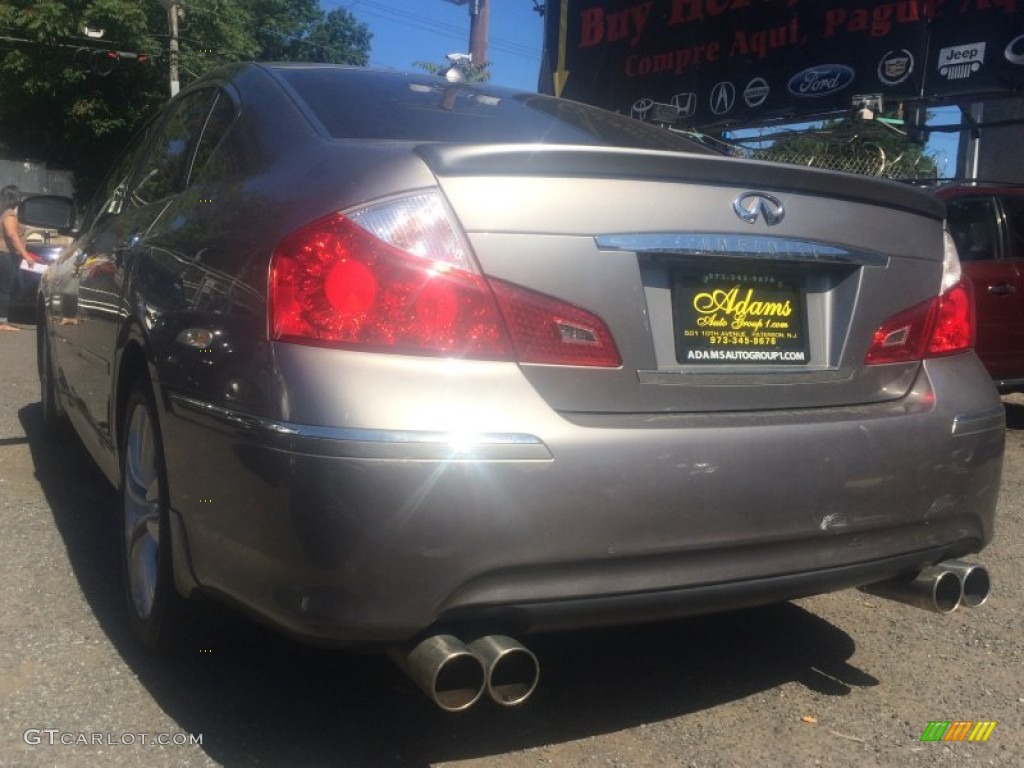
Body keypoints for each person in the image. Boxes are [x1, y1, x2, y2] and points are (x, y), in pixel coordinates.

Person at [0, 184, 42, 331]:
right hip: (5, 255)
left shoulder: (4, 212)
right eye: (19, 196)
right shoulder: (9, 214)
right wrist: (26, 255)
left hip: (7, 255)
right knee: (6, 289)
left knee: (14, 286)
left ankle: (3, 318)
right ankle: (2, 322)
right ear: (14, 197)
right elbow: (12, 235)